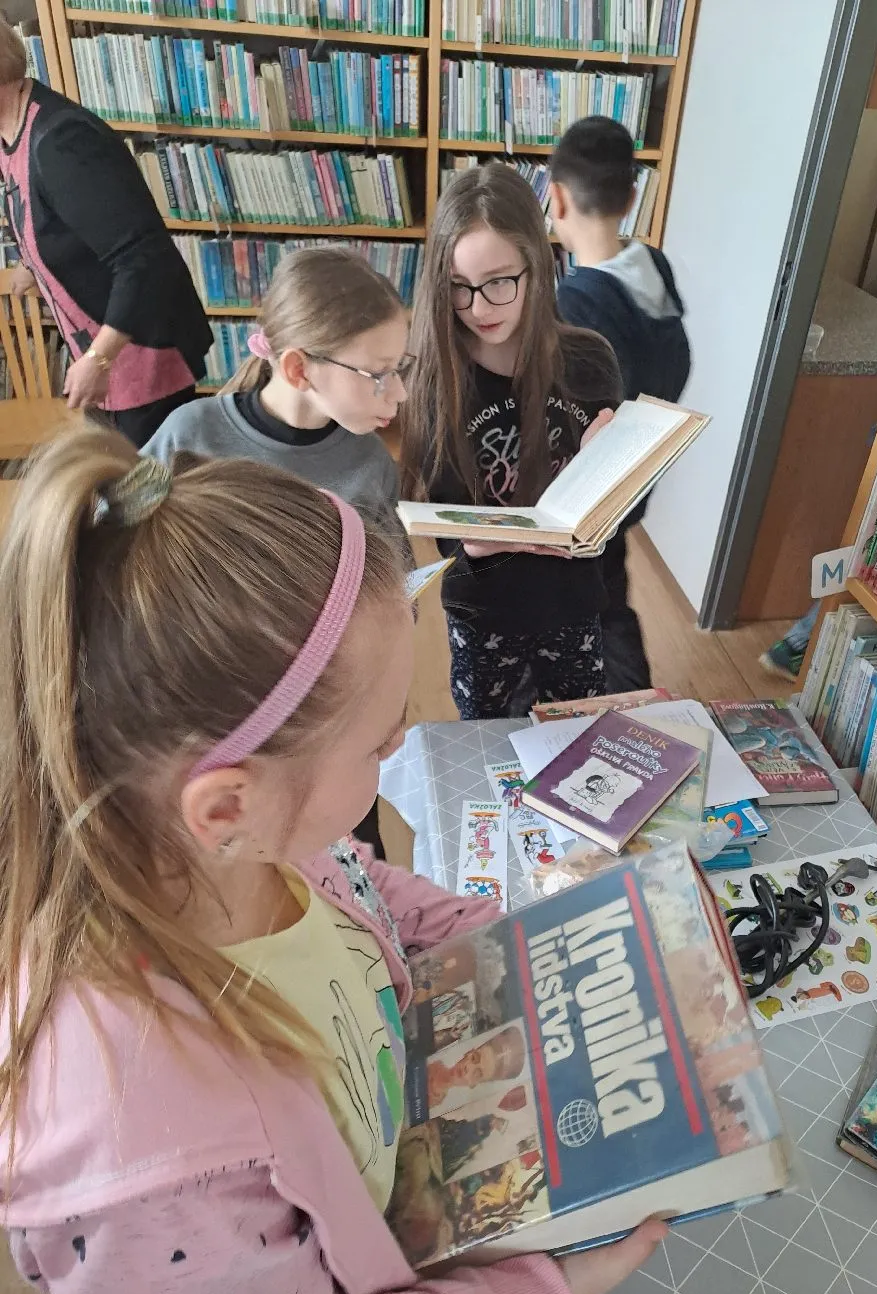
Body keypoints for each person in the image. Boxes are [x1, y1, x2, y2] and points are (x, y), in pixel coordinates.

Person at [0, 429, 666, 1294]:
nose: (400, 747)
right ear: (227, 805)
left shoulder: (245, 847)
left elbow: (358, 886)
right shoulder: (158, 1176)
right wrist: (544, 1288)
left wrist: (519, 937)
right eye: (380, 744)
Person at [144, 246, 413, 854]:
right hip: (215, 715)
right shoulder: (189, 435)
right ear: (298, 369)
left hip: (331, 724)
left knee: (350, 859)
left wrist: (386, 707)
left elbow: (396, 592)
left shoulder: (371, 464)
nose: (397, 393)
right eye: (378, 373)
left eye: (401, 368)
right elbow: (113, 543)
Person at [400, 163, 622, 720]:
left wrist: (609, 473)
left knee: (580, 732)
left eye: (500, 282)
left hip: (571, 600)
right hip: (483, 610)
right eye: (459, 287)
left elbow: (610, 510)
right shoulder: (434, 377)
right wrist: (472, 543)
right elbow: (440, 519)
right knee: (485, 737)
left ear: (537, 267)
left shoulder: (588, 361)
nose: (479, 308)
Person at [0, 18, 211, 446]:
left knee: (152, 482)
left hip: (143, 353)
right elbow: (50, 215)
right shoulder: (11, 131)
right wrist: (31, 264)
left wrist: (99, 358)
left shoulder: (62, 141)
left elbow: (143, 256)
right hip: (107, 357)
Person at [549, 116, 691, 693]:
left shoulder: (578, 301)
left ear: (556, 198)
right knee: (609, 589)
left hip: (592, 487)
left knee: (597, 608)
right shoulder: (653, 266)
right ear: (632, 198)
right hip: (637, 473)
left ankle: (630, 706)